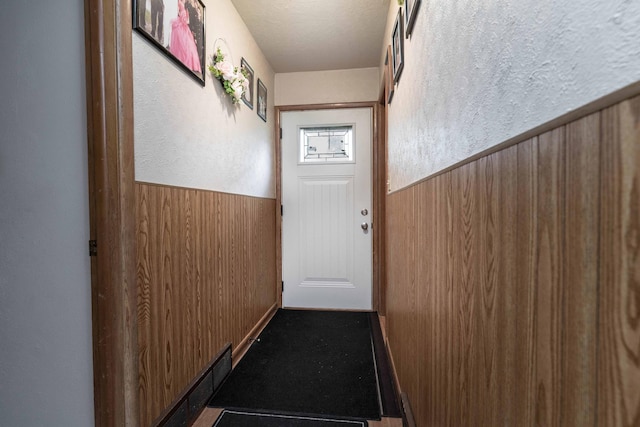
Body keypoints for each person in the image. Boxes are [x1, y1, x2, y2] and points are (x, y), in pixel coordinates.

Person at [169, 0, 201, 73]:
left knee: (188, 44)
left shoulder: (185, 4)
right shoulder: (179, 3)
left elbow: (187, 18)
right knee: (182, 42)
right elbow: (177, 12)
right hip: (180, 23)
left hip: (184, 25)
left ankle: (191, 63)